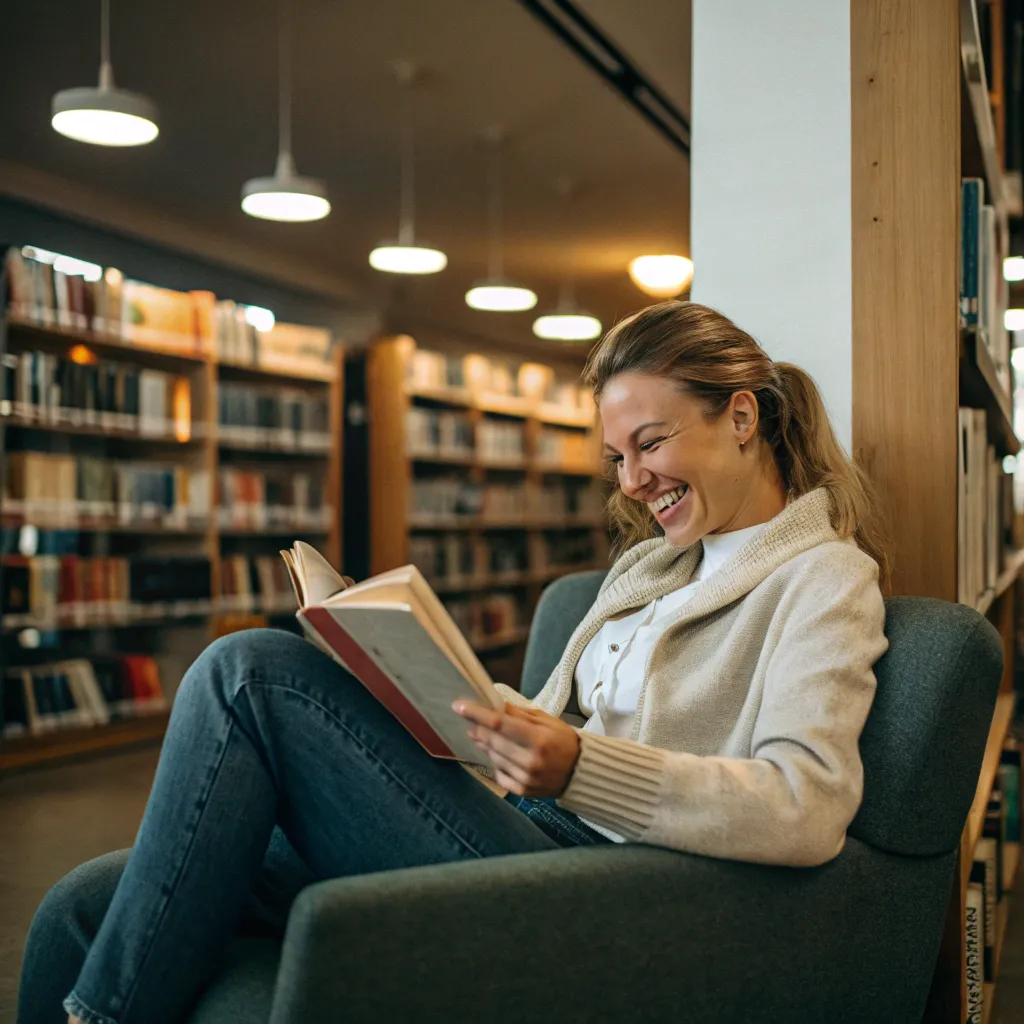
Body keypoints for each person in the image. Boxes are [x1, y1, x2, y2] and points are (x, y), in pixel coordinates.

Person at [19, 301, 889, 1024]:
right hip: (519, 823)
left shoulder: (823, 580)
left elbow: (807, 804)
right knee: (81, 906)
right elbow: (549, 729)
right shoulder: (651, 566)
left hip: (605, 886)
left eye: (650, 444)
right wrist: (403, 678)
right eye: (617, 458)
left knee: (248, 671)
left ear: (740, 416)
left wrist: (582, 769)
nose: (631, 481)